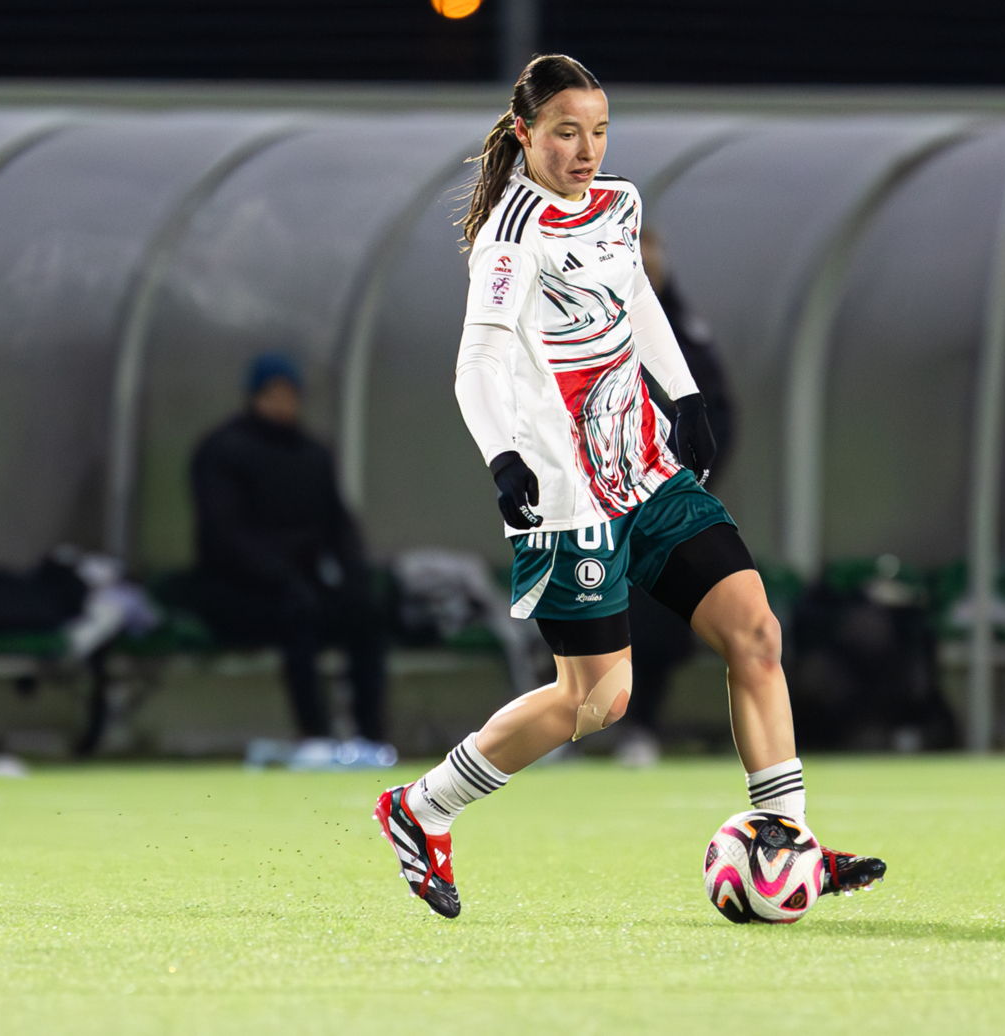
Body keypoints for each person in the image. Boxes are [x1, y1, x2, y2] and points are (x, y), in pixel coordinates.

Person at [373, 55, 884, 919]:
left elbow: (636, 294)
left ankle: (787, 839)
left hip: (646, 468)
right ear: (526, 134)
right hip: (568, 493)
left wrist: (680, 392)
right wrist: (505, 460)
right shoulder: (509, 235)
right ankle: (420, 810)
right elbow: (476, 367)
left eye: (599, 131)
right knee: (598, 701)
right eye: (566, 132)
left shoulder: (620, 202)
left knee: (756, 635)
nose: (585, 149)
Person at [189, 352, 394, 769]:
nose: (281, 404)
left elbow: (338, 525)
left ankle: (370, 739)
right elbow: (223, 534)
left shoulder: (312, 454)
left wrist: (352, 577)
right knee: (296, 615)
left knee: (364, 615)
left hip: (305, 581)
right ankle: (315, 738)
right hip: (236, 589)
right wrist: (279, 575)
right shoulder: (222, 451)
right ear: (254, 396)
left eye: (289, 395)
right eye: (272, 394)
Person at [617, 228, 736, 768]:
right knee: (588, 614)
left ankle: (641, 724)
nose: (646, 259)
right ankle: (577, 724)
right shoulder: (586, 321)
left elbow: (720, 413)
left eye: (652, 248)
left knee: (663, 613)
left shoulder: (684, 328)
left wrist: (692, 478)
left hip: (671, 499)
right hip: (602, 498)